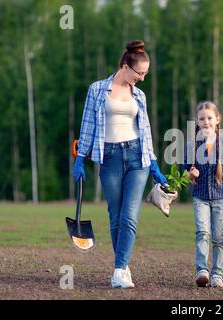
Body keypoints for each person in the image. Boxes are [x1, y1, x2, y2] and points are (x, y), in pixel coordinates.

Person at [73, 40, 167, 289]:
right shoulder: (97, 90)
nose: (143, 79)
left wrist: (154, 166)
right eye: (140, 73)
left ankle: (118, 269)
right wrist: (80, 159)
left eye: (146, 74)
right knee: (115, 217)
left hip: (137, 158)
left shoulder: (140, 95)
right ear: (126, 66)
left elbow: (145, 131)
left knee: (129, 216)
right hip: (110, 158)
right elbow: (88, 127)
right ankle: (123, 265)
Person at [183, 101, 223, 288]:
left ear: (217, 120)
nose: (206, 121)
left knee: (218, 237)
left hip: (221, 197)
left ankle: (217, 274)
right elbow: (184, 173)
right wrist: (190, 175)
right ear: (197, 121)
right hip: (200, 196)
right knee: (202, 232)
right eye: (202, 118)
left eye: (210, 118)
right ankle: (202, 271)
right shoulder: (191, 144)